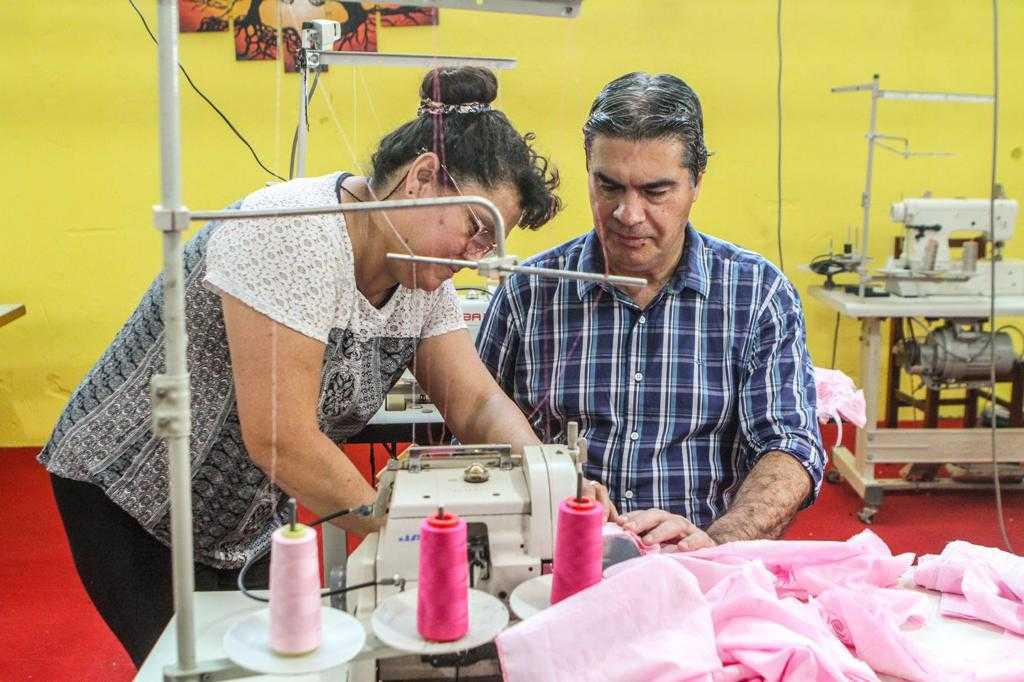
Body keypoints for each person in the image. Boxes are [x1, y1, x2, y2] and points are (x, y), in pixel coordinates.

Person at [38, 67, 557, 667]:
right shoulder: (292, 231)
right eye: (476, 229)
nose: (476, 257)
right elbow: (280, 438)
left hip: (245, 513)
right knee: (196, 667)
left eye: (490, 244)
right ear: (422, 178)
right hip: (133, 492)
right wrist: (414, 538)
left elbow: (475, 402)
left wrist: (550, 478)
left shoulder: (419, 278)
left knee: (276, 660)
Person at [475, 72, 825, 552]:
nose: (628, 214)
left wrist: (715, 543)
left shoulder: (757, 294)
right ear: (589, 171)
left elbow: (789, 446)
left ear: (696, 183)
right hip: (552, 557)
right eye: (609, 187)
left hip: (700, 560)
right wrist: (550, 486)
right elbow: (474, 442)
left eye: (656, 191)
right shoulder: (529, 293)